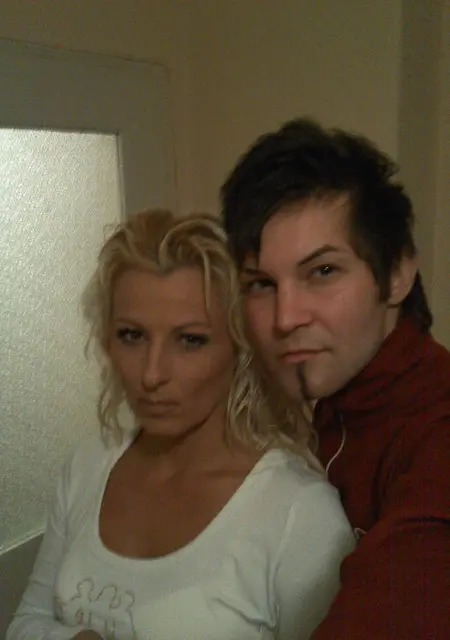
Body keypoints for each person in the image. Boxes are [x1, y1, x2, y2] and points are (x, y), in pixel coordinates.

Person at [7, 210, 354, 640]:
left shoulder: (299, 514)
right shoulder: (89, 467)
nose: (152, 374)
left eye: (190, 340)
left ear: (240, 349)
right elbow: (26, 622)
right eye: (132, 335)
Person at [221, 118, 450, 639]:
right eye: (261, 283)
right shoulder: (338, 400)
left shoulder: (436, 434)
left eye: (322, 272)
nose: (285, 318)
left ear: (397, 274)